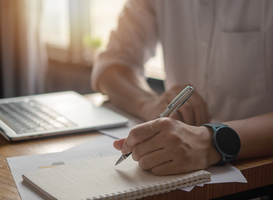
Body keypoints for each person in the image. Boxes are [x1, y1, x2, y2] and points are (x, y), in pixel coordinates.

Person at [91, 0, 273, 175]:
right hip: (177, 159)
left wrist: (212, 141)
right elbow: (112, 64)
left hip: (256, 169)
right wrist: (148, 104)